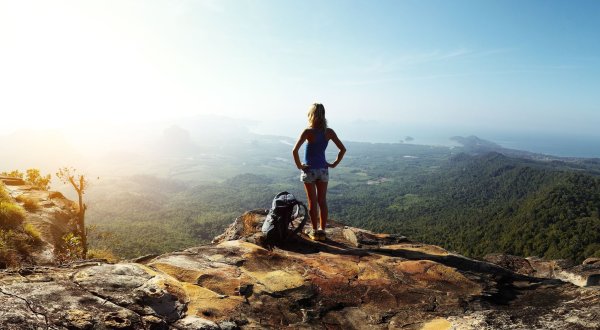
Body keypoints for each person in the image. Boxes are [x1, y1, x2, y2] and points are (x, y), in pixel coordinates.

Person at [292, 103, 346, 241]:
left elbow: (295, 150)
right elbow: (342, 149)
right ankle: (323, 231)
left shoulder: (308, 132)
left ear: (311, 115)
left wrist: (300, 166)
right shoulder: (329, 132)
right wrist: (334, 164)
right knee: (322, 201)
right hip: (323, 170)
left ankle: (315, 231)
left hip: (309, 170)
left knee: (312, 202)